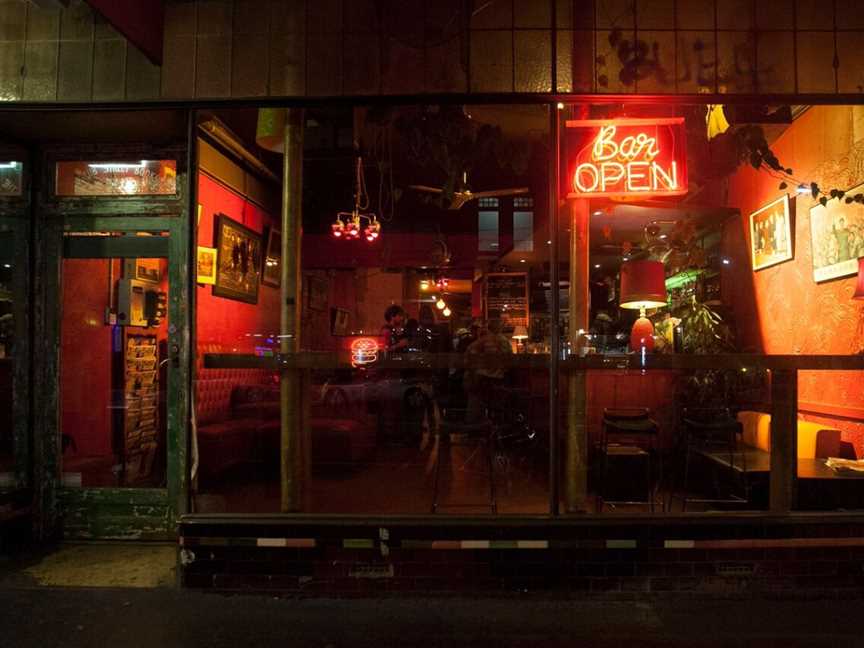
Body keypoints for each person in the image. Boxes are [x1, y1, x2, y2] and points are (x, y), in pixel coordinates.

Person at [463, 319, 512, 423]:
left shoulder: (483, 340)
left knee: (475, 396)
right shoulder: (505, 341)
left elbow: (468, 354)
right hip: (499, 379)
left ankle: (475, 423)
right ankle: (491, 421)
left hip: (484, 379)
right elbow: (509, 361)